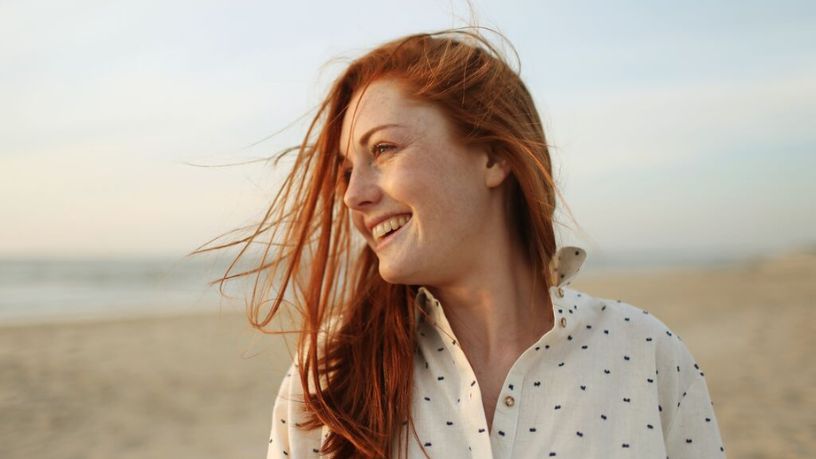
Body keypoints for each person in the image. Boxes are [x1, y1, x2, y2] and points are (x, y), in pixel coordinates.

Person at [203, 28, 727, 458]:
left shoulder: (645, 353)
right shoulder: (327, 379)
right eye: (346, 171)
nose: (353, 196)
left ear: (494, 157)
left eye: (383, 149)